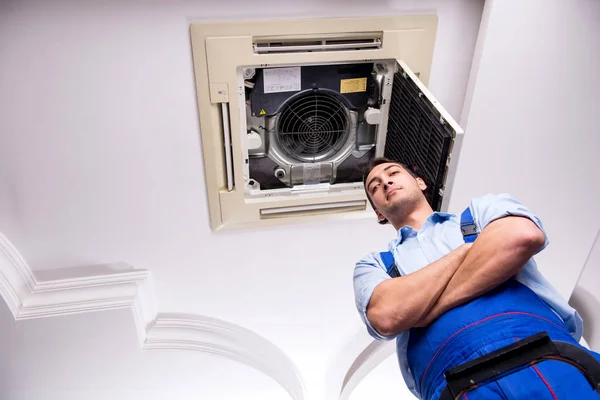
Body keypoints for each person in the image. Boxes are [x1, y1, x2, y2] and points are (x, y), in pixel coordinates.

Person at [353, 157, 600, 400]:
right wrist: (466, 252)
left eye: (393, 173)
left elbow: (522, 236)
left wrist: (424, 310)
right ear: (378, 213)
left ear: (420, 182)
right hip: (451, 385)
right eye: (375, 186)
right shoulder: (374, 265)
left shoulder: (481, 211)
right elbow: (386, 316)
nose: (385, 182)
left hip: (550, 357)